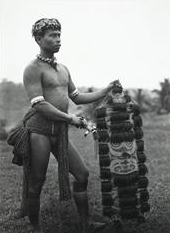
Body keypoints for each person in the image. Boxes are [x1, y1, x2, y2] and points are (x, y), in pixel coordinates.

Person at [23, 18, 117, 233]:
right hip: (40, 130)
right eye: (52, 36)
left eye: (59, 35)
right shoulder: (32, 69)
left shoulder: (63, 68)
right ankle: (36, 229)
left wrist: (106, 89)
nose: (58, 40)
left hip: (60, 131)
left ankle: (86, 224)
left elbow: (77, 97)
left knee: (82, 175)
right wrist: (71, 119)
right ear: (39, 39)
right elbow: (40, 106)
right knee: (37, 181)